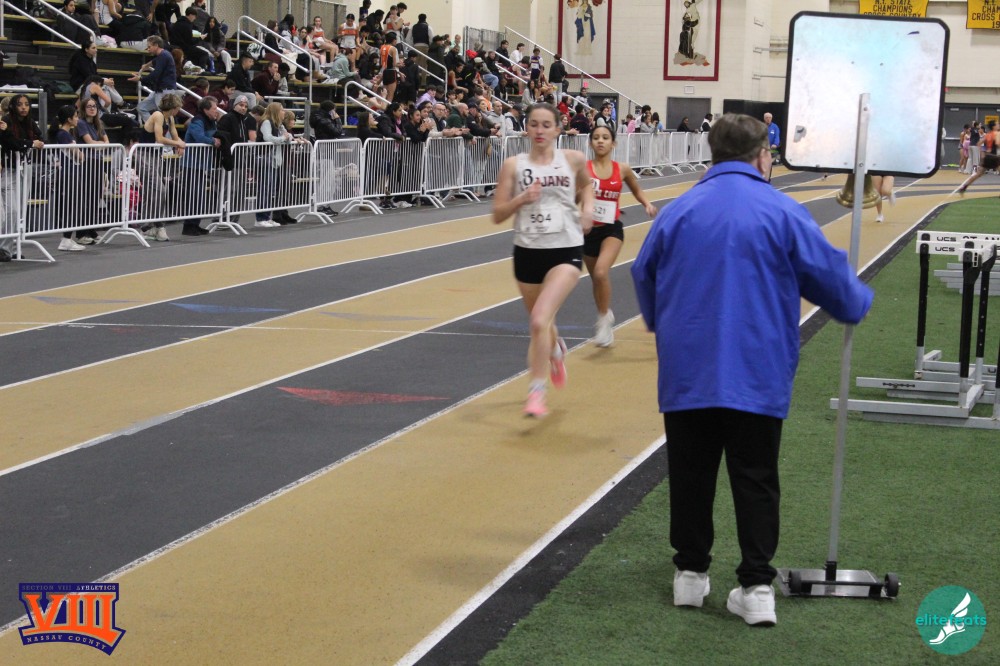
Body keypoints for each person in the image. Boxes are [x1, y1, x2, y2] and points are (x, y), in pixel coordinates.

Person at [630, 113, 873, 627]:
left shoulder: (678, 211)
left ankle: (690, 575)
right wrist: (855, 302)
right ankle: (757, 586)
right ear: (764, 156)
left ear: (712, 152)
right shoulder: (783, 211)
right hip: (757, 368)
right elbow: (828, 275)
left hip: (689, 367)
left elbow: (643, 272)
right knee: (757, 477)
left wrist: (661, 322)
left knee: (690, 474)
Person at [491, 102, 594, 418]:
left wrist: (588, 210)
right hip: (528, 250)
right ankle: (555, 346)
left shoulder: (573, 159)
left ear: (558, 129)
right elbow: (497, 214)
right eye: (534, 124)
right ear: (526, 129)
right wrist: (522, 199)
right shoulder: (513, 165)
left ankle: (536, 392)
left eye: (546, 125)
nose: (539, 130)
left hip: (566, 248)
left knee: (538, 320)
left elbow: (588, 185)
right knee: (543, 325)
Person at [585, 125, 657, 346]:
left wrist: (647, 204)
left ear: (613, 143)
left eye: (605, 137)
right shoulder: (583, 169)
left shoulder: (622, 169)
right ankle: (604, 314)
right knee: (596, 280)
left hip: (611, 229)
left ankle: (604, 323)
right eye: (596, 137)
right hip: (587, 231)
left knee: (601, 272)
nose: (600, 141)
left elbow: (636, 189)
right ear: (590, 143)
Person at [131, 36, 179, 123]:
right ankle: (153, 127)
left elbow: (156, 73)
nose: (148, 49)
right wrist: (147, 65)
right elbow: (156, 60)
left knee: (165, 116)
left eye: (149, 46)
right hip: (160, 90)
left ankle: (159, 129)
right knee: (141, 107)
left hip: (165, 91)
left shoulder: (164, 55)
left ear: (156, 45)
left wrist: (140, 78)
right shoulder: (164, 55)